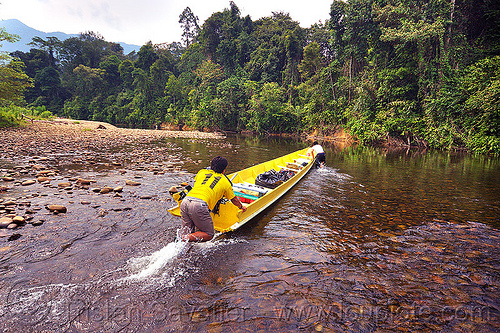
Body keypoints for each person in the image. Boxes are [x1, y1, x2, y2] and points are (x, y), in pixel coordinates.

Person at [180, 156, 247, 242]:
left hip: (185, 201)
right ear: (224, 170)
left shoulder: (201, 172)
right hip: (199, 205)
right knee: (209, 234)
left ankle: (181, 245)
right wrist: (241, 207)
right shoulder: (225, 182)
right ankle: (183, 239)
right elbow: (234, 200)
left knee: (187, 231)